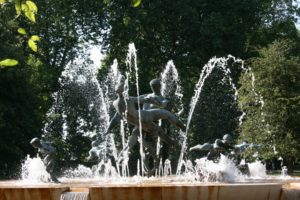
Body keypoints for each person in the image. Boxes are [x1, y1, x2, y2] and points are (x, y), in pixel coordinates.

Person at [104, 80, 186, 175]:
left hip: (139, 121)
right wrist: (160, 103)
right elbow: (146, 100)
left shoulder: (116, 103)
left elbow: (116, 118)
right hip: (145, 117)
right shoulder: (130, 99)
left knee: (137, 136)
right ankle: (182, 131)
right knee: (166, 117)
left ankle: (125, 152)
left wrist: (108, 130)